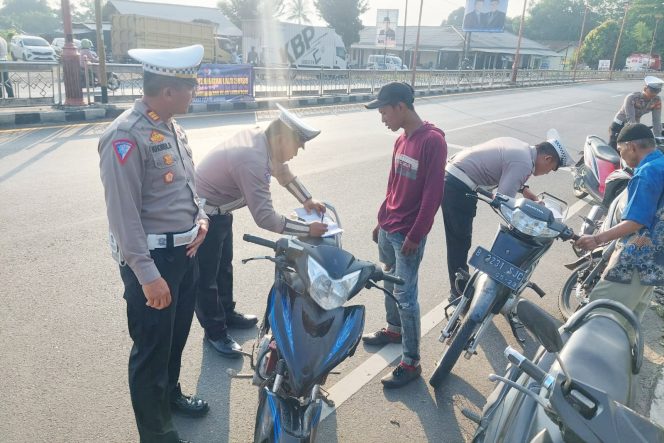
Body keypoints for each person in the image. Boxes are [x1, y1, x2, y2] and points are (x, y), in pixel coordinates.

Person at [98, 45, 210, 443]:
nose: (193, 95)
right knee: (151, 348)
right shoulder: (125, 137)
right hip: (153, 259)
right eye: (190, 88)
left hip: (185, 252)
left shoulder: (170, 126)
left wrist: (200, 219)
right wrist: (147, 275)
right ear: (167, 92)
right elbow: (123, 215)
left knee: (175, 337)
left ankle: (171, 395)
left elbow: (183, 187)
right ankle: (156, 431)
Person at [194, 104, 328, 358]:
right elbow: (266, 218)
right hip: (204, 215)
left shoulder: (264, 141)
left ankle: (226, 312)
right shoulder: (251, 159)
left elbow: (281, 169)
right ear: (280, 139)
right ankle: (215, 331)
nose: (299, 152)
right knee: (206, 276)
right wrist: (307, 228)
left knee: (224, 267)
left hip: (221, 211)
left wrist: (306, 199)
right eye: (297, 145)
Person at [361, 82, 447, 388]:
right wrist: (381, 219)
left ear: (401, 106)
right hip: (389, 226)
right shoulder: (401, 140)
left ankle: (411, 363)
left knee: (407, 298)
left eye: (384, 111)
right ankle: (393, 329)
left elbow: (432, 194)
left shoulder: (432, 141)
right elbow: (393, 183)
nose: (383, 118)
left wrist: (416, 234)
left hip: (408, 234)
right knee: (388, 279)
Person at [442, 132, 573, 303]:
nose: (548, 173)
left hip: (456, 177)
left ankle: (459, 287)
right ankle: (457, 294)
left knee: (459, 239)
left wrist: (530, 196)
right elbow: (504, 202)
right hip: (458, 184)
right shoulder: (524, 162)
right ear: (548, 159)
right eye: (552, 168)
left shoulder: (523, 149)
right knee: (459, 241)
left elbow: (510, 179)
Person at [576, 123, 664, 321]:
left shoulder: (646, 173)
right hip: (657, 262)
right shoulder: (661, 164)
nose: (621, 156)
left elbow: (636, 221)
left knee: (600, 313)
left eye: (620, 150)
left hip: (636, 259)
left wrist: (597, 239)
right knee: (628, 321)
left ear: (631, 146)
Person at [609, 76, 663, 149]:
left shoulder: (656, 100)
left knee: (633, 151)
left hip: (635, 125)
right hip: (620, 125)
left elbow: (656, 120)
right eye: (652, 91)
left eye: (657, 91)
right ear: (645, 88)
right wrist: (637, 133)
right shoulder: (632, 97)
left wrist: (658, 137)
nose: (654, 94)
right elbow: (630, 118)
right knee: (615, 148)